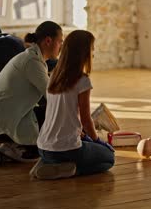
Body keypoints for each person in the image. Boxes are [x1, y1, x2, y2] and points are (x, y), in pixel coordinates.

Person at [30, 30, 115, 180]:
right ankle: (71, 170)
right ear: (84, 52)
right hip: (65, 150)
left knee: (87, 148)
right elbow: (86, 119)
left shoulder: (54, 75)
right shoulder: (82, 80)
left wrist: (81, 134)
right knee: (108, 158)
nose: (93, 52)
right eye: (92, 48)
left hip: (43, 147)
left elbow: (63, 113)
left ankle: (47, 163)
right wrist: (97, 140)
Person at [0, 21, 63, 168]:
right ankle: (7, 150)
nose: (61, 46)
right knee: (52, 129)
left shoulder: (33, 58)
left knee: (52, 117)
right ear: (48, 41)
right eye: (60, 41)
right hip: (0, 125)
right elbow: (54, 97)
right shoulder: (32, 61)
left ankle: (9, 147)